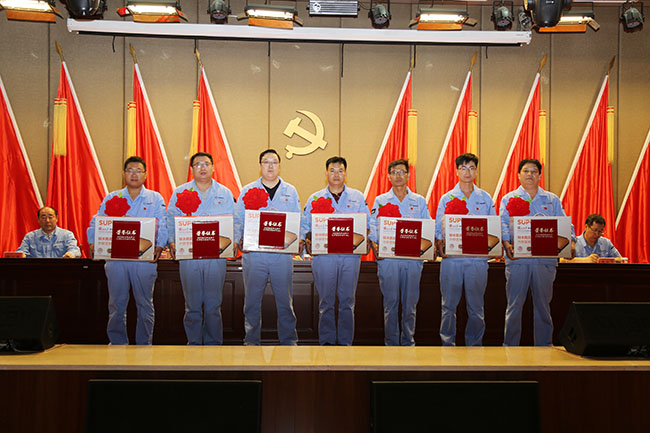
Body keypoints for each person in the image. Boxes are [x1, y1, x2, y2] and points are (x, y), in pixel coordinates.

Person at [87, 156, 168, 345]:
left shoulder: (155, 198)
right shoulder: (112, 197)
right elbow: (97, 222)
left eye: (139, 171)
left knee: (145, 304)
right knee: (116, 304)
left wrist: (159, 245)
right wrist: (93, 242)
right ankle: (117, 344)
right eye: (130, 170)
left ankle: (144, 345)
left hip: (144, 260)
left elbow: (163, 224)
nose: (134, 174)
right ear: (123, 174)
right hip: (117, 260)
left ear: (145, 175)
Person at [500, 158, 575, 346]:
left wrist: (572, 242)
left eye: (534, 171)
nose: (530, 174)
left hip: (544, 261)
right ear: (518, 175)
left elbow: (565, 224)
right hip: (517, 260)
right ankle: (509, 347)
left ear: (540, 175)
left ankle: (544, 346)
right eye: (526, 171)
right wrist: (506, 243)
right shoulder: (509, 199)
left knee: (543, 306)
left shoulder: (552, 200)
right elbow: (502, 225)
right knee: (514, 306)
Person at [167, 152, 235, 345]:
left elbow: (235, 221)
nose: (202, 168)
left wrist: (235, 241)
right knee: (192, 306)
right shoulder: (180, 192)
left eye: (206, 164)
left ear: (213, 167)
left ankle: (214, 345)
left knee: (214, 305)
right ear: (191, 169)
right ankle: (194, 344)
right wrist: (172, 241)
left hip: (216, 257)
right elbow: (170, 219)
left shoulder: (225, 193)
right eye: (198, 164)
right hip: (189, 257)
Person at [302, 156, 371, 346]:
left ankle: (345, 343)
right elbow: (305, 225)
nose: (336, 174)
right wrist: (306, 242)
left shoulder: (358, 197)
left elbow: (367, 224)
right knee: (326, 302)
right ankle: (327, 342)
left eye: (340, 170)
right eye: (332, 170)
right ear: (326, 173)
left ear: (345, 173)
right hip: (324, 258)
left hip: (350, 257)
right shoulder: (315, 198)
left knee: (347, 302)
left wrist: (367, 239)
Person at [234, 149, 300, 346]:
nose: (270, 166)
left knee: (285, 302)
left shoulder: (290, 191)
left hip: (282, 256)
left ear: (279, 166)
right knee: (252, 302)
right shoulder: (247, 190)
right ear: (260, 165)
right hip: (255, 255)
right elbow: (238, 220)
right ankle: (251, 341)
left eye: (274, 162)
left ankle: (289, 341)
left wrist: (299, 241)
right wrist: (239, 240)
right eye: (266, 162)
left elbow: (298, 221)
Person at [434, 153, 496, 346]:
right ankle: (447, 344)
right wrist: (440, 245)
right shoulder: (446, 198)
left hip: (478, 261)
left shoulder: (485, 198)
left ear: (476, 171)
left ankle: (474, 345)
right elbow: (438, 230)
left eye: (471, 168)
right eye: (463, 168)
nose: (467, 172)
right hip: (452, 260)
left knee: (476, 307)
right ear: (457, 171)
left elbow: (493, 229)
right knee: (448, 306)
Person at [369, 159, 431, 346]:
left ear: (408, 175)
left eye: (402, 172)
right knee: (391, 304)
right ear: (388, 176)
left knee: (410, 305)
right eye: (394, 172)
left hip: (412, 261)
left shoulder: (419, 201)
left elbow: (427, 228)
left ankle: (408, 343)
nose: (398, 176)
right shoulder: (381, 200)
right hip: (389, 260)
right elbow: (373, 227)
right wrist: (376, 245)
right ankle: (391, 344)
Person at [17, 206, 81, 258]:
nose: (47, 221)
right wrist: (21, 255)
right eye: (43, 218)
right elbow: (21, 251)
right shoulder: (30, 237)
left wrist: (70, 254)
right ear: (38, 220)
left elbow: (75, 250)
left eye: (50, 217)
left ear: (56, 218)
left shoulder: (67, 235)